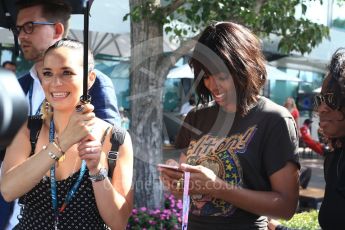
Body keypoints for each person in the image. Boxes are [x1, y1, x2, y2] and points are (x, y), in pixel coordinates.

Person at [159, 21, 300, 229]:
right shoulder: (196, 117)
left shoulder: (275, 120)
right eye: (206, 76)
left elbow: (286, 207)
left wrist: (218, 187)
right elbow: (185, 190)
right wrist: (176, 184)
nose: (212, 86)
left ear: (244, 68)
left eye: (222, 76)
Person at [0, 39, 133, 229]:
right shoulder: (28, 130)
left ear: (90, 79)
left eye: (67, 73)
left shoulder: (115, 139)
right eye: (47, 73)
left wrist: (97, 171)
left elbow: (119, 222)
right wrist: (62, 143)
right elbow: (8, 190)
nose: (55, 83)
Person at [15, 0, 120, 125]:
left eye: (29, 27)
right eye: (19, 29)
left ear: (57, 30)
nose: (21, 36)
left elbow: (110, 140)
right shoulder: (19, 86)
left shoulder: (93, 82)